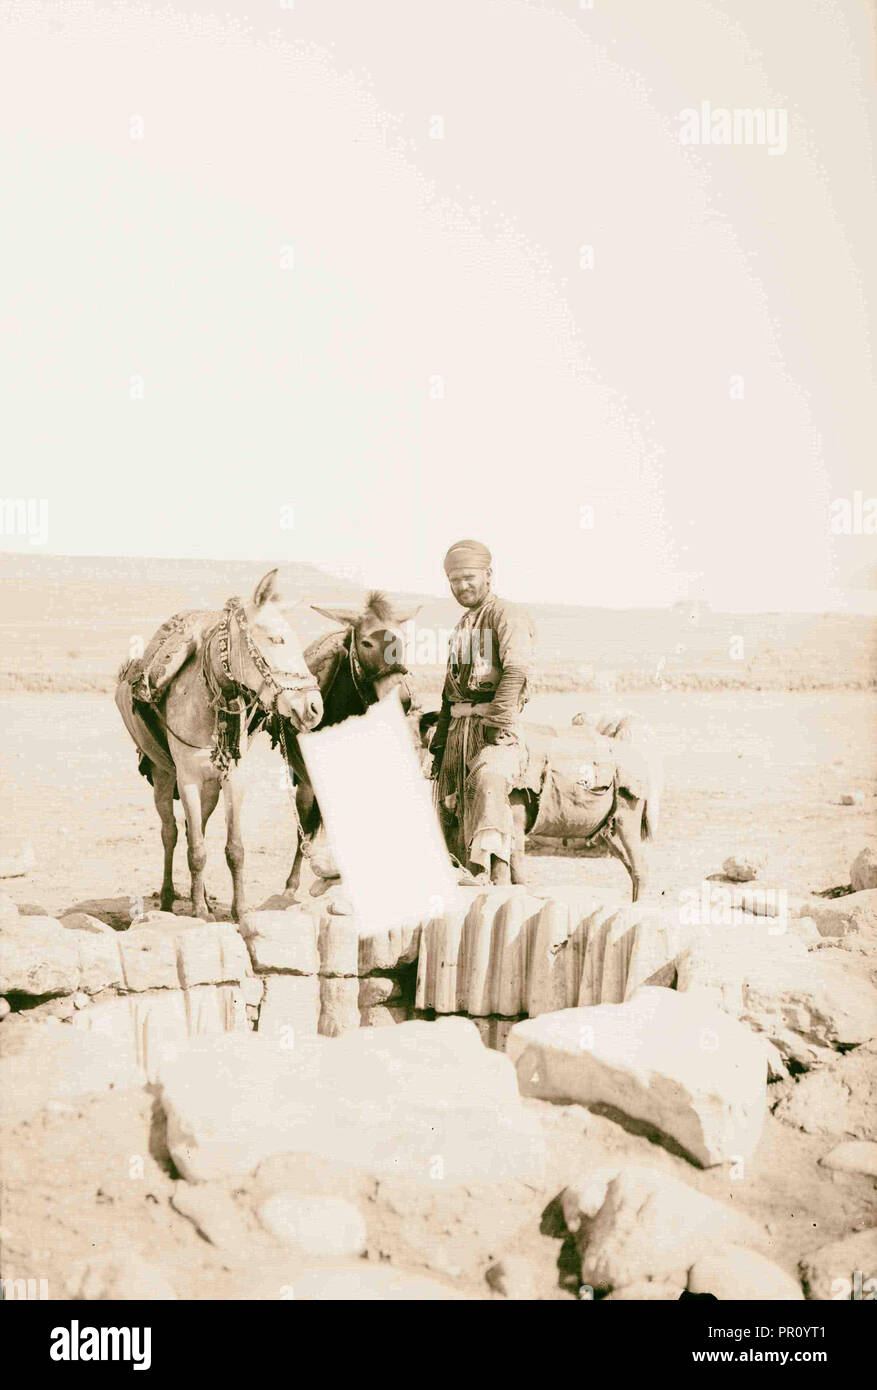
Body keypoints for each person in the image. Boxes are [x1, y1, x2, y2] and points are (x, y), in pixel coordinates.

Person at [430, 539, 536, 884]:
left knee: (490, 787)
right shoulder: (462, 626)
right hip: (457, 737)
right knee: (443, 812)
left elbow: (516, 671)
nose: (462, 586)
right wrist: (439, 745)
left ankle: (499, 883)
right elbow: (450, 693)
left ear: (488, 575)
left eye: (468, 577)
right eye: (454, 580)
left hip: (495, 731)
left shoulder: (507, 614)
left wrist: (496, 724)